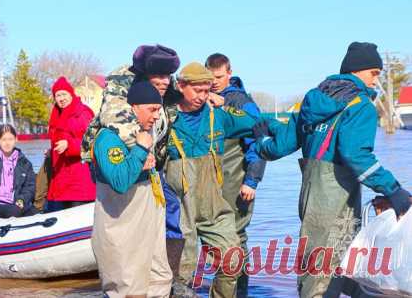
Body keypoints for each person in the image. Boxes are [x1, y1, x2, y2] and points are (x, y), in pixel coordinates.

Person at [256, 42, 412, 298]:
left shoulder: (310, 102)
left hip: (310, 204)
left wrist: (262, 139)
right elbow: (356, 156)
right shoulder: (360, 105)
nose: (377, 79)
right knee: (341, 270)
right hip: (338, 205)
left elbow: (277, 148)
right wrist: (393, 189)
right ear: (357, 70)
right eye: (374, 73)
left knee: (327, 268)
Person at [165, 62, 267, 297]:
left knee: (233, 261)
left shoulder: (218, 115)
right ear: (181, 86)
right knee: (181, 276)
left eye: (206, 90)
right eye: (197, 90)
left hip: (213, 209)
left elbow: (259, 124)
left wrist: (228, 103)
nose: (202, 96)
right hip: (180, 213)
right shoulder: (166, 117)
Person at [91, 80, 172, 297]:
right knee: (129, 287)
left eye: (159, 110)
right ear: (133, 107)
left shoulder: (140, 133)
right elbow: (119, 181)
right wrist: (140, 150)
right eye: (152, 109)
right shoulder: (108, 138)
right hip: (121, 229)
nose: (157, 116)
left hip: (146, 223)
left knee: (159, 279)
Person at [206, 53, 266, 296]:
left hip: (239, 182)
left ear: (229, 73)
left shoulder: (241, 101)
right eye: (210, 78)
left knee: (237, 237)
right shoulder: (206, 99)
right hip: (214, 184)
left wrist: (252, 180)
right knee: (217, 239)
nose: (215, 82)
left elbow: (259, 141)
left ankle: (240, 292)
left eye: (219, 77)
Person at [47, 76, 96, 211]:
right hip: (61, 177)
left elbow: (92, 142)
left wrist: (69, 145)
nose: (61, 98)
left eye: (64, 94)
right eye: (57, 95)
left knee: (78, 218)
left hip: (79, 177)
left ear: (71, 94)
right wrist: (51, 151)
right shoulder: (56, 114)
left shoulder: (82, 113)